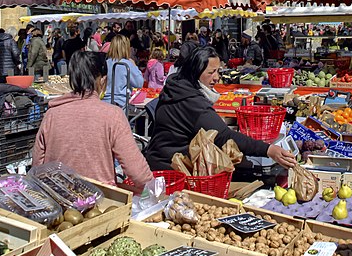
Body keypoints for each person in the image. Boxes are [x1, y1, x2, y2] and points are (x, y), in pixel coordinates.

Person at [146, 46, 296, 171]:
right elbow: (223, 136)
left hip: (161, 159)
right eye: (211, 72)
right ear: (195, 72)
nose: (217, 77)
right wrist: (269, 150)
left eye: (218, 71)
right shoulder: (191, 101)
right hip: (170, 168)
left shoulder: (178, 88)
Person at [33, 51, 153, 191]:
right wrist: (154, 187)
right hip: (99, 202)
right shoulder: (112, 115)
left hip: (57, 196)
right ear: (102, 80)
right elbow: (137, 172)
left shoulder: (52, 114)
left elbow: (37, 166)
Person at [103, 35, 144, 111]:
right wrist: (134, 65)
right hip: (121, 103)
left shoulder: (105, 63)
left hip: (105, 101)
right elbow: (139, 83)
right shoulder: (126, 64)